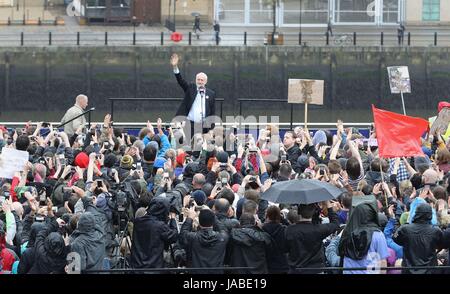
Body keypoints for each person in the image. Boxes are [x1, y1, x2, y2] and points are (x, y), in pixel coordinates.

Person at [170, 53, 216, 137]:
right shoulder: (191, 88)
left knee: (202, 146)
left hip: (204, 126)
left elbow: (212, 112)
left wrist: (212, 129)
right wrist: (175, 67)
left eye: (202, 80)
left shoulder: (211, 94)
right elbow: (181, 81)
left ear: (205, 82)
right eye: (198, 79)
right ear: (195, 80)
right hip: (189, 124)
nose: (200, 81)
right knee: (189, 146)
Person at [179, 207, 229, 274]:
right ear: (213, 222)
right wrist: (213, 215)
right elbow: (223, 229)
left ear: (199, 222)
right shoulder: (222, 238)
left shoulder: (192, 237)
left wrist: (190, 218)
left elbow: (183, 234)